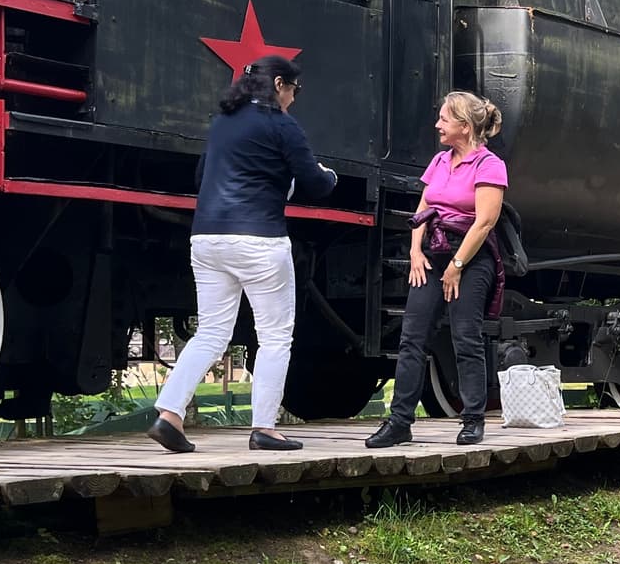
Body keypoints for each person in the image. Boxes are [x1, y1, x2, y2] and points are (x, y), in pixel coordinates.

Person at [149, 56, 336, 453]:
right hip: (259, 241)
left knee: (212, 332)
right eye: (294, 90)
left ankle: (169, 414)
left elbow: (202, 177)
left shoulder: (222, 123)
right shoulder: (281, 125)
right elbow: (316, 184)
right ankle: (264, 428)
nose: (294, 98)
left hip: (208, 239)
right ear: (280, 84)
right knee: (274, 336)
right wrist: (328, 174)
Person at [367, 91, 508, 448]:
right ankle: (400, 421)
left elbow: (484, 222)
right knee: (412, 337)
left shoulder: (489, 165)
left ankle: (473, 418)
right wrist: (416, 251)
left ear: (464, 125)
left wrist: (458, 265)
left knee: (465, 336)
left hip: (471, 256)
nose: (438, 125)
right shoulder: (440, 161)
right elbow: (423, 210)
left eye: (444, 119)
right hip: (433, 252)